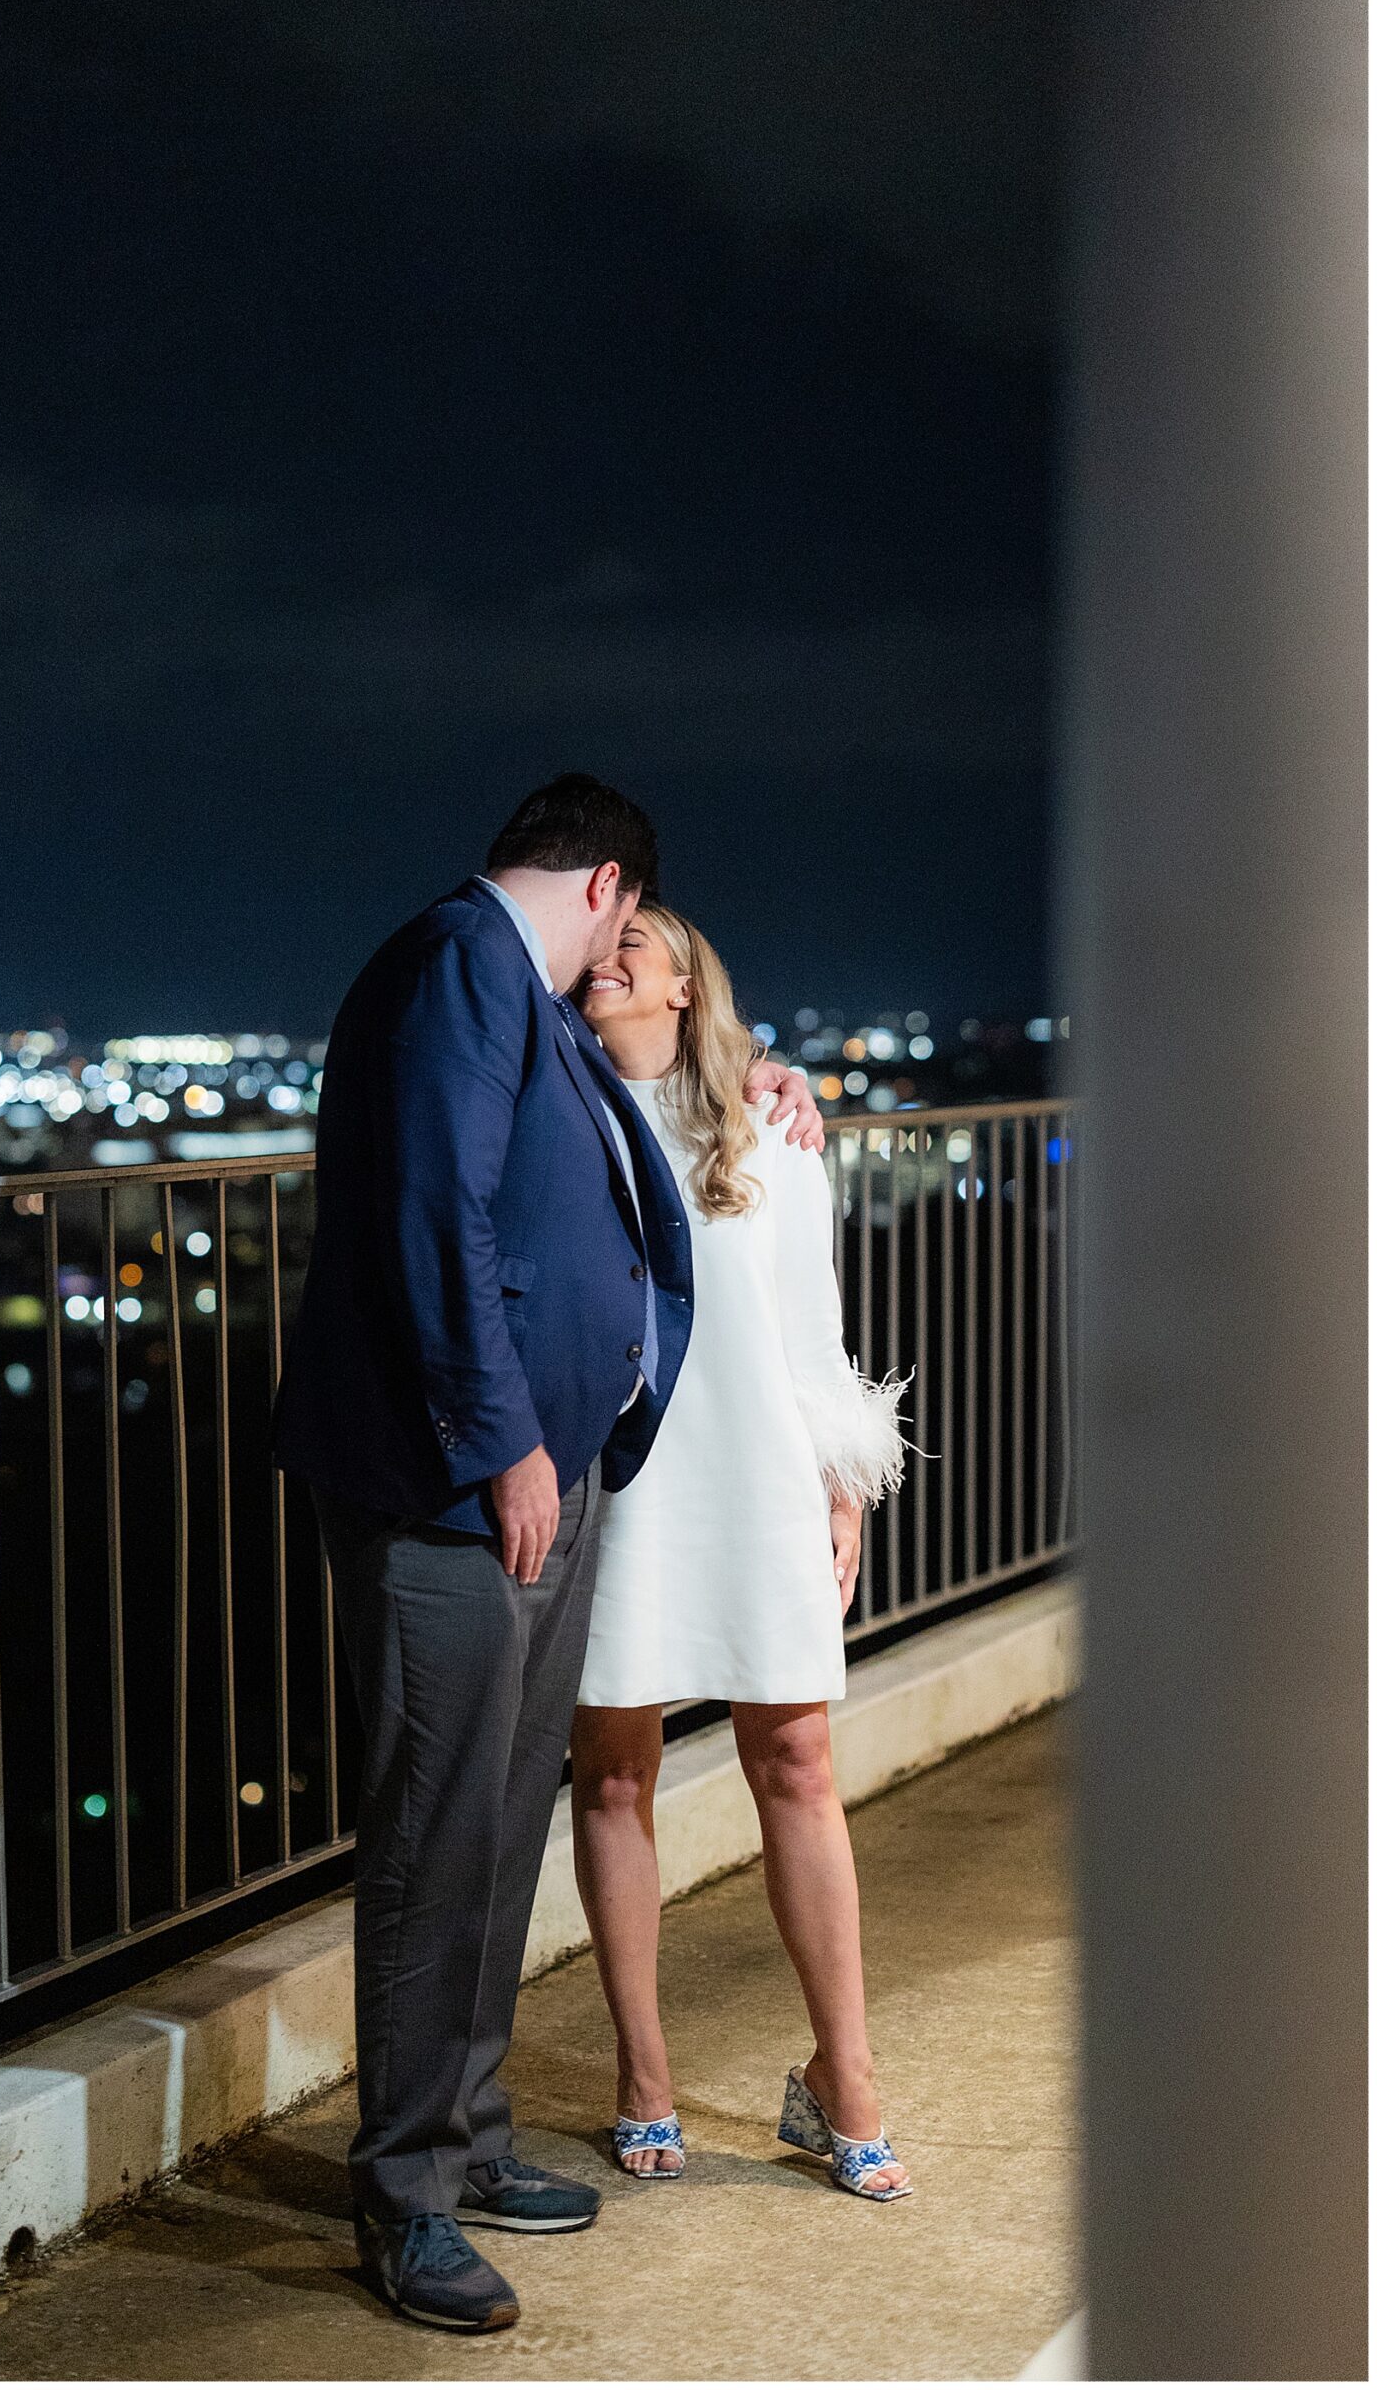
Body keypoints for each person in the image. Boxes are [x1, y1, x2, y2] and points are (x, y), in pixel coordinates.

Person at [272, 776, 823, 2331]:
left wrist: (771, 1075)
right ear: (603, 885)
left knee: (504, 1820)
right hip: (459, 1485)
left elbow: (627, 1126)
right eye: (623, 924)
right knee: (437, 1833)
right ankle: (406, 2199)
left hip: (538, 1475)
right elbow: (439, 1214)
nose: (617, 951)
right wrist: (504, 1441)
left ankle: (470, 2136)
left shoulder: (524, 992)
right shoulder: (464, 963)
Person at [569, 903, 914, 2201]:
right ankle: (642, 2071)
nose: (603, 963)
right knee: (613, 1772)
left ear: (680, 987)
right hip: (625, 1475)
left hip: (759, 1469)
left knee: (800, 1756)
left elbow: (810, 1325)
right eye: (596, 952)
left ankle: (847, 2080)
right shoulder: (564, 1114)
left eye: (631, 951)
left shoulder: (770, 1127)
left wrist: (844, 1480)